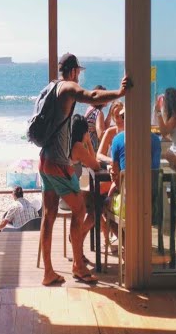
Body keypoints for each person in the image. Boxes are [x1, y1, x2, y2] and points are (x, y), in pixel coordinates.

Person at [36, 53, 130, 286]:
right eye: (78, 73)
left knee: (49, 215)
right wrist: (120, 92)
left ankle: (48, 272)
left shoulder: (49, 89)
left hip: (44, 160)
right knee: (80, 210)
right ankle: (78, 266)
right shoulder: (67, 88)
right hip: (58, 163)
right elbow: (92, 96)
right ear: (73, 71)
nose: (79, 77)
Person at [102, 100, 163, 251]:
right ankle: (137, 245)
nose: (122, 119)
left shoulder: (118, 140)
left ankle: (127, 246)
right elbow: (155, 171)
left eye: (123, 117)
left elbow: (116, 176)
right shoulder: (155, 141)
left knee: (104, 205)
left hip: (126, 204)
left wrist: (117, 182)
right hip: (150, 203)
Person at [83, 85, 109, 150]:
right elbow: (101, 135)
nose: (108, 98)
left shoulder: (90, 109)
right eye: (106, 96)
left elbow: (103, 126)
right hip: (93, 150)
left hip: (86, 147)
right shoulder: (98, 113)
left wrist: (110, 113)